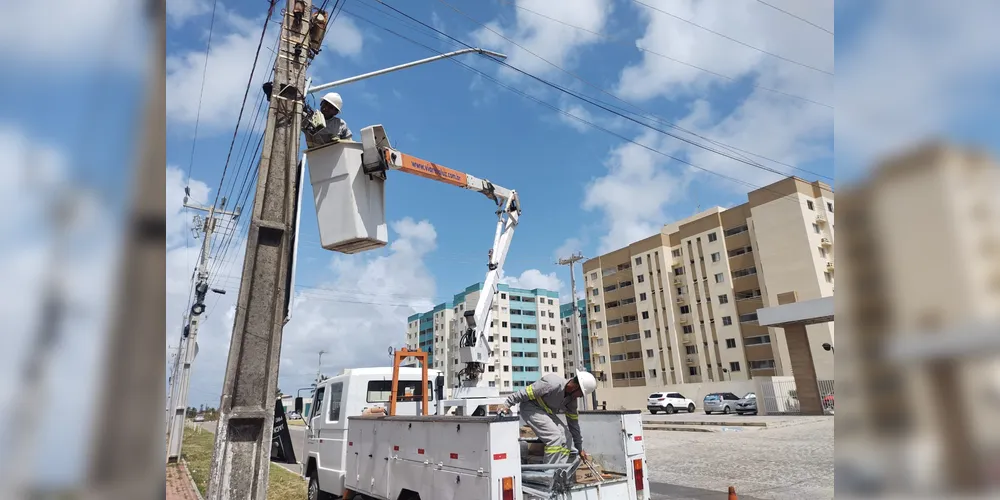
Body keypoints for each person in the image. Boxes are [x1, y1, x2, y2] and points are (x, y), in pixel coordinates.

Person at [498, 371, 597, 465]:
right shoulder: (552, 383)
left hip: (546, 412)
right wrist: (507, 404)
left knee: (567, 437)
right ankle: (549, 473)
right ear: (575, 387)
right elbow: (524, 393)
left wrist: (580, 448)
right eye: (581, 394)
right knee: (554, 437)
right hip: (531, 408)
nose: (580, 397)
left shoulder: (571, 400)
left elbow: (573, 425)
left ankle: (560, 470)